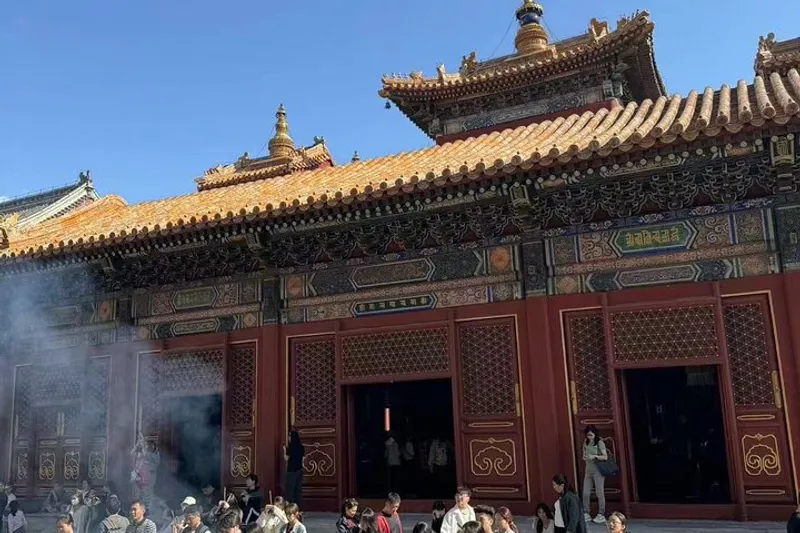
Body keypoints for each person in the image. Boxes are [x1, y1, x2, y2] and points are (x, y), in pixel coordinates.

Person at [581, 426, 607, 524]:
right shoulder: (585, 442)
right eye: (588, 435)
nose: (589, 437)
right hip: (588, 470)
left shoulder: (599, 442)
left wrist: (595, 456)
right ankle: (586, 512)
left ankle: (601, 514)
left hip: (598, 470)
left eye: (591, 435)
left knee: (599, 493)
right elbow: (583, 453)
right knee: (585, 492)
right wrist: (585, 457)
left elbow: (605, 457)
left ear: (595, 434)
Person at [283, 431, 304, 509]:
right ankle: (298, 508)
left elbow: (286, 458)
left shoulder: (291, 447)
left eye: (289, 436)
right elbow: (303, 459)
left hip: (291, 471)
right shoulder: (301, 447)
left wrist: (284, 450)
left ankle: (290, 509)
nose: (288, 438)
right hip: (299, 470)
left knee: (290, 491)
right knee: (298, 490)